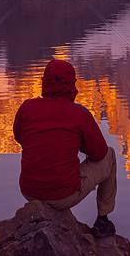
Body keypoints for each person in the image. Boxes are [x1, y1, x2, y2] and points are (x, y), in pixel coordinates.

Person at [12, 59, 118, 238]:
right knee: (110, 155)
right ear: (71, 85)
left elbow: (20, 138)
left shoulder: (26, 108)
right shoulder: (79, 114)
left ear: (44, 82)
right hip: (64, 195)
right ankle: (103, 221)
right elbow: (100, 153)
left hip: (29, 192)